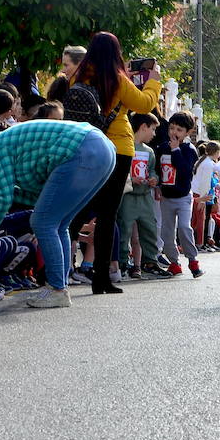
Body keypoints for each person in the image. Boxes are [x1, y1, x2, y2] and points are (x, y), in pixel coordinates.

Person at [0, 119, 115, 308]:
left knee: (43, 222)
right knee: (59, 223)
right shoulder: (11, 148)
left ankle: (57, 290)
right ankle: (60, 285)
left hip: (81, 148)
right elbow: (35, 197)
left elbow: (2, 197)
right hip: (103, 150)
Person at [66, 32, 162, 295]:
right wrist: (153, 82)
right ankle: (101, 280)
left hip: (86, 146)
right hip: (117, 149)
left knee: (79, 209)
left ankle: (58, 270)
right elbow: (144, 103)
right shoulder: (117, 79)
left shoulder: (78, 76)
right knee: (108, 215)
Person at [154, 111, 201, 277]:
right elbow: (158, 169)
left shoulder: (189, 150)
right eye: (171, 128)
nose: (174, 132)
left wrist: (176, 151)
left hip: (183, 198)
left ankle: (193, 260)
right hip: (166, 197)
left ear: (188, 133)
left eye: (179, 130)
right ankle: (174, 262)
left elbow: (186, 171)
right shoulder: (162, 148)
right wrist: (157, 184)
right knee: (166, 232)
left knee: (184, 227)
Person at [118, 113, 163, 279]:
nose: (154, 133)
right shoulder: (125, 146)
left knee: (150, 229)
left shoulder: (149, 151)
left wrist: (154, 179)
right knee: (124, 230)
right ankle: (122, 263)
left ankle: (150, 262)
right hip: (128, 196)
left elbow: (152, 169)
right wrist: (131, 179)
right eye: (152, 129)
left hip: (145, 197)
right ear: (143, 127)